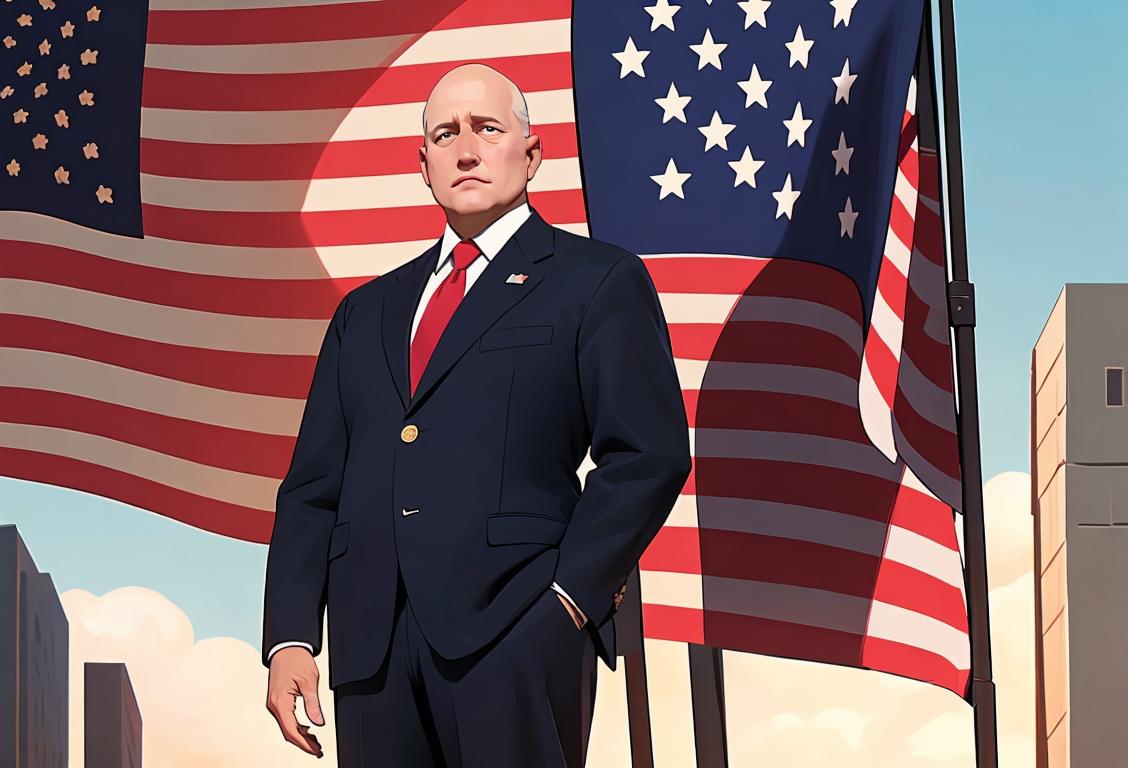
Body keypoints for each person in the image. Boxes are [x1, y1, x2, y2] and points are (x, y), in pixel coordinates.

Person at [261, 62, 691, 767]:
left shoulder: (597, 281)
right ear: (423, 165)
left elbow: (648, 456)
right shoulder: (362, 315)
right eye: (444, 133)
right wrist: (290, 639)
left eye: (487, 128)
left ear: (531, 152)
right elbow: (312, 488)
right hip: (371, 656)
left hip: (515, 631)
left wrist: (569, 603)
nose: (466, 148)